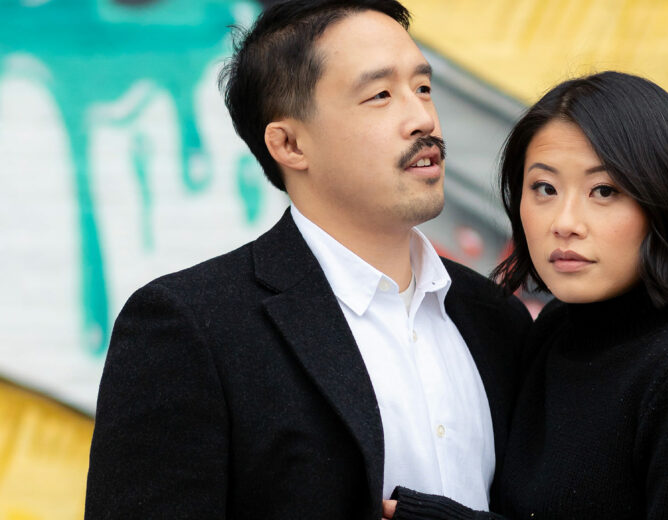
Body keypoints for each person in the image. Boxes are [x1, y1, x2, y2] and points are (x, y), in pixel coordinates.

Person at [84, 1, 531, 518]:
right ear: (290, 144)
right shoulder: (190, 327)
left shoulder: (497, 319)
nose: (422, 119)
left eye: (423, 87)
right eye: (381, 94)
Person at [385, 72, 668, 519]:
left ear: (667, 201)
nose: (564, 223)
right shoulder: (555, 331)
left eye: (603, 191)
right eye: (544, 189)